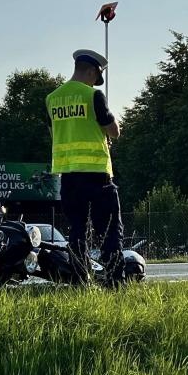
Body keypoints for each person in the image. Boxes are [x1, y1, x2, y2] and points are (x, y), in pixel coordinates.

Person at [47, 49, 123, 281]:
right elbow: (114, 131)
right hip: (97, 176)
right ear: (90, 71)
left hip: (69, 177)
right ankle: (114, 282)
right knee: (110, 231)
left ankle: (81, 280)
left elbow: (53, 134)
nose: (94, 83)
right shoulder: (93, 95)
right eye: (95, 78)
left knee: (78, 232)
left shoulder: (52, 99)